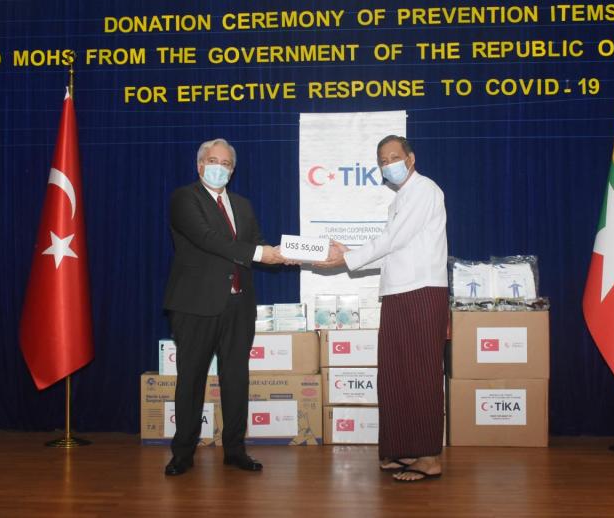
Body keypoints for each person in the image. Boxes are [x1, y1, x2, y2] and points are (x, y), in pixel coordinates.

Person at [315, 135, 448, 482]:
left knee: (421, 374)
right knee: (395, 374)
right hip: (398, 293)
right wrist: (348, 254)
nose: (389, 165)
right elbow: (392, 252)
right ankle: (402, 449)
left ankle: (429, 456)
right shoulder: (400, 200)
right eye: (383, 161)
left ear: (411, 159)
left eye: (394, 157)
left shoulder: (424, 190)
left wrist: (346, 259)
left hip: (422, 292)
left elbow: (392, 241)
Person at [162, 138, 285, 476]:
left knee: (235, 378)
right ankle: (182, 453)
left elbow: (256, 243)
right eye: (214, 161)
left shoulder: (242, 205)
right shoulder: (185, 198)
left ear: (233, 170)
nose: (220, 168)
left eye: (227, 163)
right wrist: (260, 253)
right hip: (195, 304)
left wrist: (282, 254)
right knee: (191, 379)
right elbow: (207, 239)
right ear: (200, 165)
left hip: (238, 304)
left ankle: (235, 449)